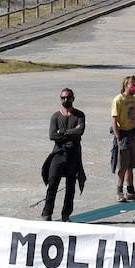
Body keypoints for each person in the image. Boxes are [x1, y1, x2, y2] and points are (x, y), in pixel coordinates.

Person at [42, 89, 85, 221]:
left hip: (73, 154)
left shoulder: (79, 115)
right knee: (53, 183)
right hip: (58, 153)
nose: (66, 100)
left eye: (68, 97)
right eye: (63, 98)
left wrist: (63, 132)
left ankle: (66, 215)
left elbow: (80, 131)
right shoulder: (55, 116)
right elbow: (52, 135)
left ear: (73, 98)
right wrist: (71, 133)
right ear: (60, 99)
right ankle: (47, 213)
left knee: (71, 186)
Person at [110, 75, 135, 201]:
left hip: (133, 134)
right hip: (123, 135)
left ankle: (130, 191)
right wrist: (118, 137)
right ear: (126, 85)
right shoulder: (118, 100)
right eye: (133, 84)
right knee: (122, 166)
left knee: (131, 165)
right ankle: (119, 192)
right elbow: (114, 120)